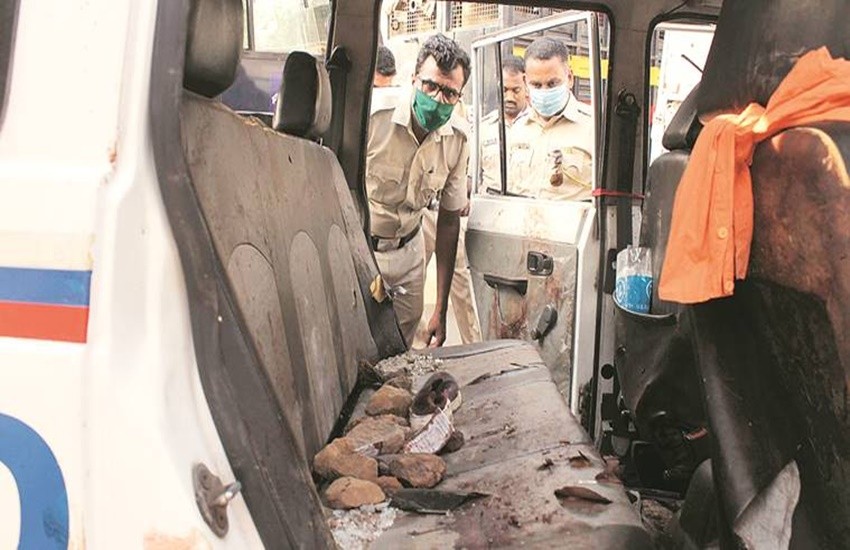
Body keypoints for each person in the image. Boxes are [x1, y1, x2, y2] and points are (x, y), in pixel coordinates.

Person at [366, 34, 471, 347]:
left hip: (410, 253)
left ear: (459, 96)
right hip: (362, 247)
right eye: (430, 86)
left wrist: (440, 308)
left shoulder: (458, 139)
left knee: (401, 347)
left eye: (450, 93)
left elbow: (449, 222)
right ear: (414, 78)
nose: (438, 99)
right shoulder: (373, 117)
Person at [507, 37, 594, 201]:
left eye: (552, 84)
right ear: (525, 82)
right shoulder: (518, 128)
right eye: (536, 85)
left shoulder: (593, 126)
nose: (544, 91)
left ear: (570, 78)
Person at [480, 55, 529, 190]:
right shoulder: (483, 129)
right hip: (489, 201)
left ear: (526, 87)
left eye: (516, 90)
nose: (509, 97)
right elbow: (471, 179)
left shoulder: (538, 127)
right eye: (504, 90)